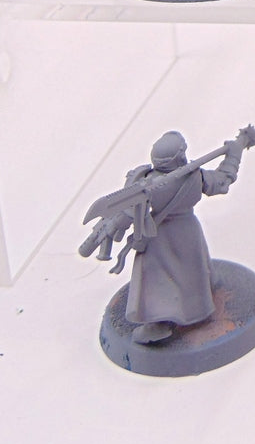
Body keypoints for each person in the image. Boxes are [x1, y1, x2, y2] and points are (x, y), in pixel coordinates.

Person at [83, 130, 244, 344]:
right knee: (185, 273)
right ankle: (164, 321)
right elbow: (223, 181)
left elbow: (127, 214)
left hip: (160, 237)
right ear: (180, 156)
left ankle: (162, 322)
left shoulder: (153, 182)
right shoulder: (190, 178)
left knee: (164, 279)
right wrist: (233, 155)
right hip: (183, 232)